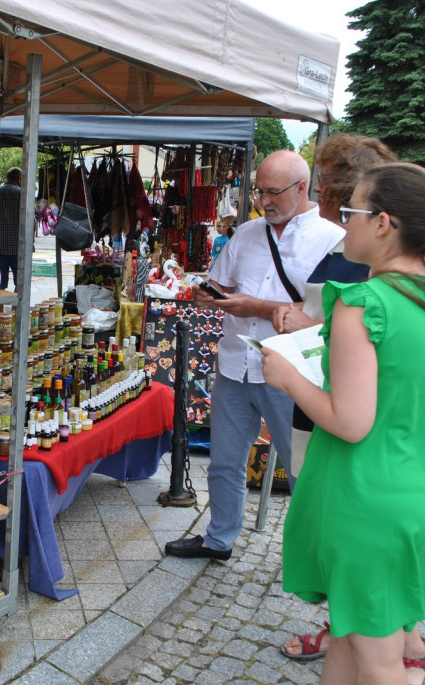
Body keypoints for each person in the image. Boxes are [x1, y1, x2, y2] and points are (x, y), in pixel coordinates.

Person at [264, 163, 425, 685]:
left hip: (367, 499)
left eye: (352, 210)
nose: (342, 220)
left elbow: (350, 422)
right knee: (351, 644)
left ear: (383, 223)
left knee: (382, 668)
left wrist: (287, 376)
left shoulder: (364, 303)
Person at [164, 150, 343, 561]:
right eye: (258, 190)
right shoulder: (246, 232)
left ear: (302, 187)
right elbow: (219, 286)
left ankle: (314, 555)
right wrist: (207, 297)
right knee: (225, 462)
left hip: (292, 374)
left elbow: (330, 317)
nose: (263, 200)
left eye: (272, 192)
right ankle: (218, 538)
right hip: (235, 365)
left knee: (304, 470)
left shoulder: (332, 239)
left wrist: (257, 307)